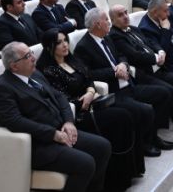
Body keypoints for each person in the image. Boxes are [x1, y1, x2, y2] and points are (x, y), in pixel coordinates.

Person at [0, 41, 111, 192]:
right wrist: (53, 134)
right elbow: (15, 122)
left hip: (61, 129)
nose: (33, 58)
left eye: (31, 53)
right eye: (27, 56)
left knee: (103, 147)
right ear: (14, 66)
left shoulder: (34, 73)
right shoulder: (3, 87)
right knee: (86, 163)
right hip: (39, 144)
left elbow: (59, 96)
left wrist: (69, 122)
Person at [37, 29, 143, 191]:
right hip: (78, 114)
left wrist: (90, 92)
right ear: (48, 46)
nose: (65, 45)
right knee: (120, 118)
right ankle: (115, 181)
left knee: (126, 115)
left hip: (92, 103)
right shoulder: (48, 71)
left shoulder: (72, 60)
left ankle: (129, 172)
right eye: (59, 42)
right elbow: (62, 100)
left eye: (65, 40)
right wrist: (85, 100)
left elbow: (89, 79)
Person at [74, 8, 173, 157]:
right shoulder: (83, 47)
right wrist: (114, 71)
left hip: (129, 84)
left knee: (163, 93)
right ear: (97, 24)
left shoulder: (106, 37)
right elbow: (88, 74)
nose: (109, 22)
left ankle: (152, 135)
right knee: (145, 110)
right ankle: (145, 143)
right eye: (106, 20)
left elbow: (121, 55)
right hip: (115, 91)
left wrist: (122, 64)